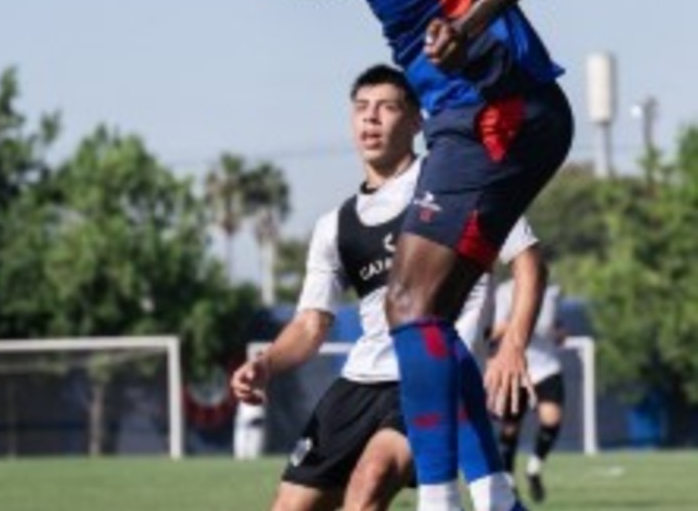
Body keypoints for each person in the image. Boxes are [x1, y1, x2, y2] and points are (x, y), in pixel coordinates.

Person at [245, 0, 573, 508]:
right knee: (428, 319)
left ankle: (439, 498)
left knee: (408, 306)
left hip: (493, 115)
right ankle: (494, 496)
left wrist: (470, 23)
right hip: (474, 120)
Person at [231, 65, 545, 510]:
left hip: (428, 373)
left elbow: (529, 260)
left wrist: (513, 345)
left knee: (370, 480)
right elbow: (310, 325)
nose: (371, 118)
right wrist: (266, 364)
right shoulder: (334, 226)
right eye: (361, 108)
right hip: (359, 382)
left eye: (386, 107)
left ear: (416, 120)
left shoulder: (453, 184)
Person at [492, 279, 566, 503]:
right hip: (516, 367)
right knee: (510, 427)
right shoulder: (505, 291)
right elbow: (495, 331)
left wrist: (559, 333)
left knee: (552, 419)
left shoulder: (552, 291)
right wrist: (521, 322)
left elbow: (556, 326)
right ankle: (508, 480)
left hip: (546, 367)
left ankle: (534, 468)